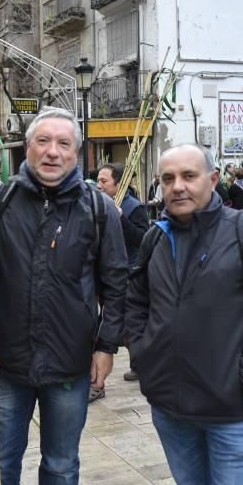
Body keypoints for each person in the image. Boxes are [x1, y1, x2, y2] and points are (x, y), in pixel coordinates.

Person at [0, 107, 128, 485]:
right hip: (8, 362)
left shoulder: (99, 210)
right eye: (42, 142)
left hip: (71, 362)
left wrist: (106, 345)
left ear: (78, 154)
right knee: (1, 463)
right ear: (27, 149)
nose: (52, 152)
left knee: (62, 465)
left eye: (63, 144)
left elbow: (118, 285)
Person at [125, 144, 243, 485]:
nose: (178, 187)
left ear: (213, 179)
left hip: (230, 410)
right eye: (168, 178)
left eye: (189, 176)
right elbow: (136, 301)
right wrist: (145, 356)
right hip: (171, 406)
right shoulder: (154, 238)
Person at [95, 163, 149, 384]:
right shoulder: (98, 204)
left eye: (104, 181)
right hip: (104, 271)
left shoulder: (133, 207)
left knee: (121, 322)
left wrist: (121, 219)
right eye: (98, 180)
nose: (99, 185)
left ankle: (140, 364)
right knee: (117, 323)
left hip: (128, 271)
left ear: (119, 184)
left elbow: (142, 239)